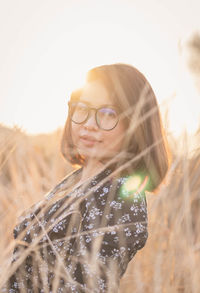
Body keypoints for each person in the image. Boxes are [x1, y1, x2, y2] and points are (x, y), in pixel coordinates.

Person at [3, 63, 171, 292]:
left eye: (108, 113)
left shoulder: (123, 198)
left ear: (135, 124)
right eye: (82, 109)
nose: (89, 125)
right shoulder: (75, 182)